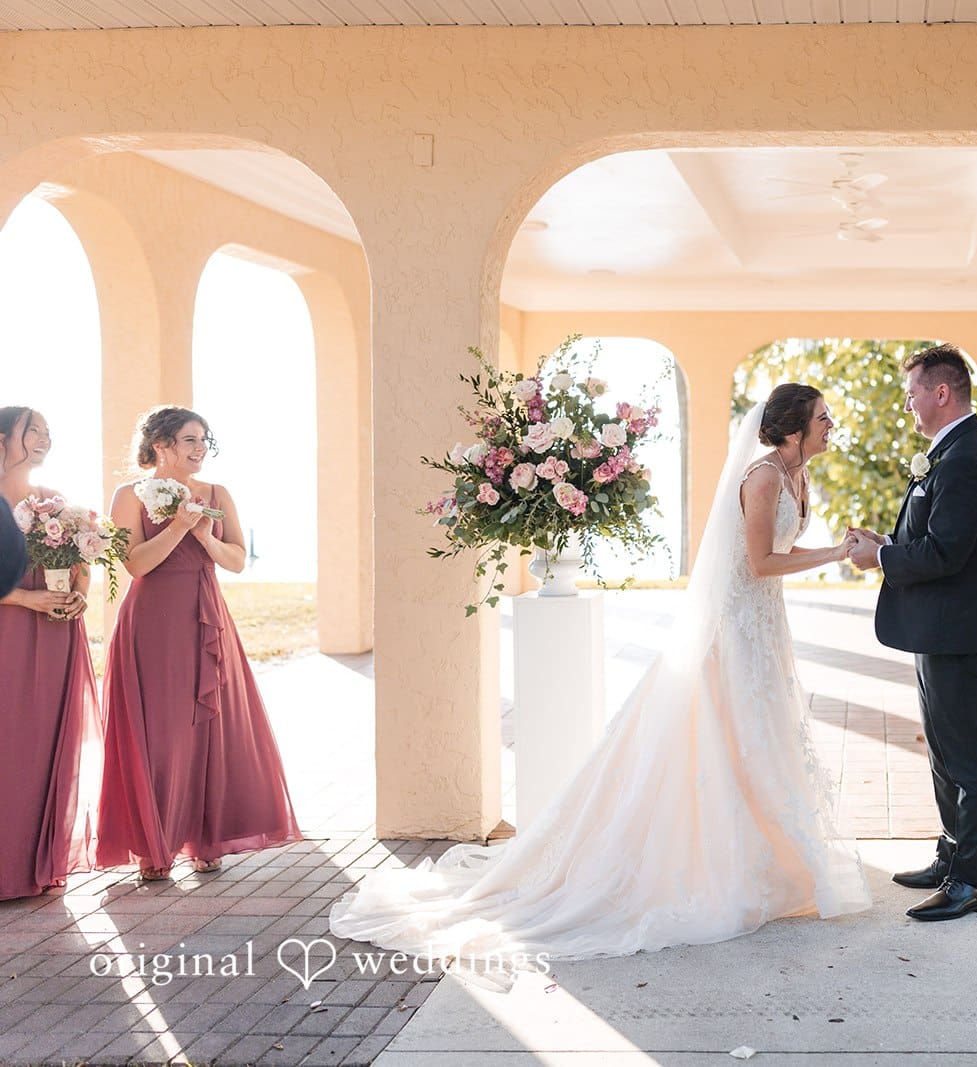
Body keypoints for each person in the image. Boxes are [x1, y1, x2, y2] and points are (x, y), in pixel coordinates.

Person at [329, 384, 870, 964]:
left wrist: (842, 546)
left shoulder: (797, 474)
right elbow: (761, 563)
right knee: (727, 739)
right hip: (732, 633)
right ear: (793, 428)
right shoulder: (762, 477)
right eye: (821, 416)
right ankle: (720, 867)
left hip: (764, 628)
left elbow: (777, 549)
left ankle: (769, 859)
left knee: (761, 737)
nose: (830, 423)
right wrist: (839, 554)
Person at [848, 343, 977, 922]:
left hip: (963, 628)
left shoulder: (967, 457)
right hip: (941, 625)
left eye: (912, 394)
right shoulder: (950, 451)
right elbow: (935, 540)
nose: (908, 405)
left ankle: (970, 882)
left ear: (942, 393)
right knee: (945, 752)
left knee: (970, 757)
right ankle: (952, 856)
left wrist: (882, 561)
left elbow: (948, 552)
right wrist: (889, 546)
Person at [96, 406, 302, 881]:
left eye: (204, 440)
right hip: (151, 624)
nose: (199, 449)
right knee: (161, 733)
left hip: (205, 617)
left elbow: (235, 560)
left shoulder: (216, 494)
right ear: (161, 446)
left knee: (208, 726)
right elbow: (137, 564)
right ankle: (154, 842)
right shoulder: (129, 494)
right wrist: (178, 527)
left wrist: (205, 538)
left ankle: (206, 837)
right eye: (189, 440)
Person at [0, 407, 102, 900]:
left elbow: (82, 563)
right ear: (3, 439)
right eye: (31, 430)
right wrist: (25, 598)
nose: (43, 438)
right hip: (8, 634)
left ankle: (34, 864)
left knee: (46, 746)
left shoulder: (54, 503)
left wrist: (79, 590)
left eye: (47, 432)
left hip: (56, 635)